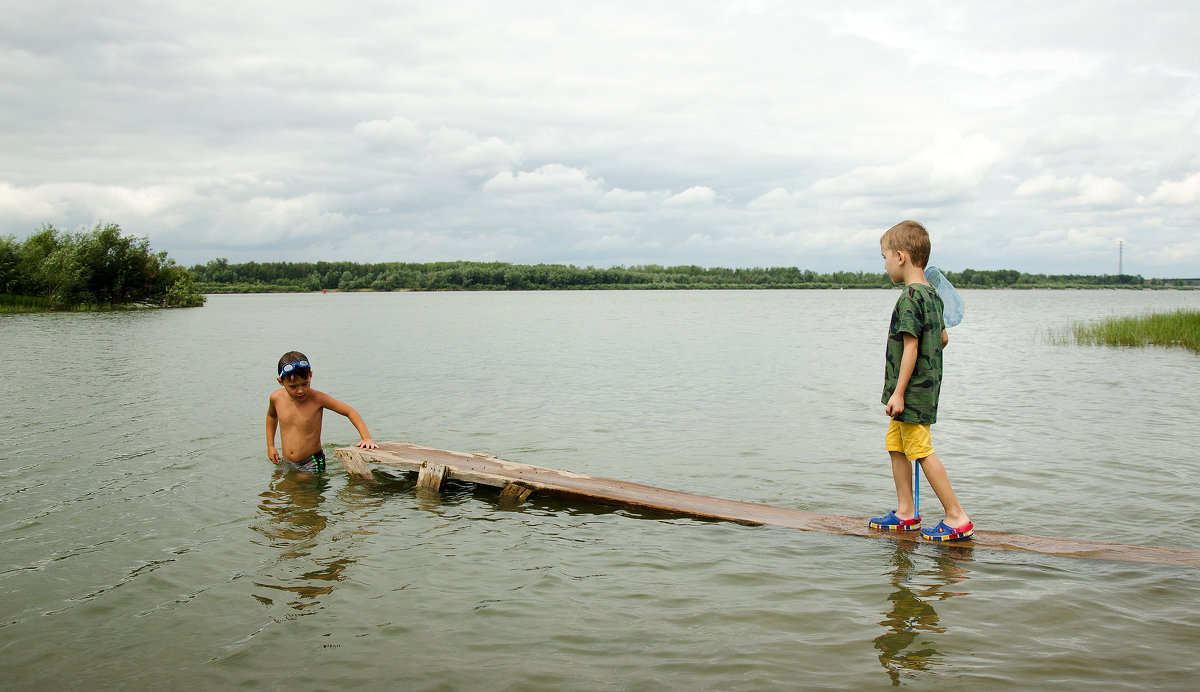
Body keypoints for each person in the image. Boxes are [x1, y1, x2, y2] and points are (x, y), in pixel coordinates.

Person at [868, 221, 973, 541]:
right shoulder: (932, 295)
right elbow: (941, 339)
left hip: (911, 392)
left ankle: (956, 516)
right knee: (896, 445)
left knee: (921, 449)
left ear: (901, 256)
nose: (884, 263)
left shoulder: (910, 296)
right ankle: (906, 512)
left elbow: (911, 346)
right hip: (924, 388)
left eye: (884, 256)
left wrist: (898, 392)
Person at [266, 351, 379, 475]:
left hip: (312, 462)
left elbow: (350, 411)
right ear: (281, 381)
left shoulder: (317, 399)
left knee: (300, 490)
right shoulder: (276, 398)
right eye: (293, 387)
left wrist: (366, 438)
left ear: (310, 375)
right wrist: (270, 446)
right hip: (287, 461)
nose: (300, 390)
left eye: (305, 384)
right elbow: (271, 416)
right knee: (287, 489)